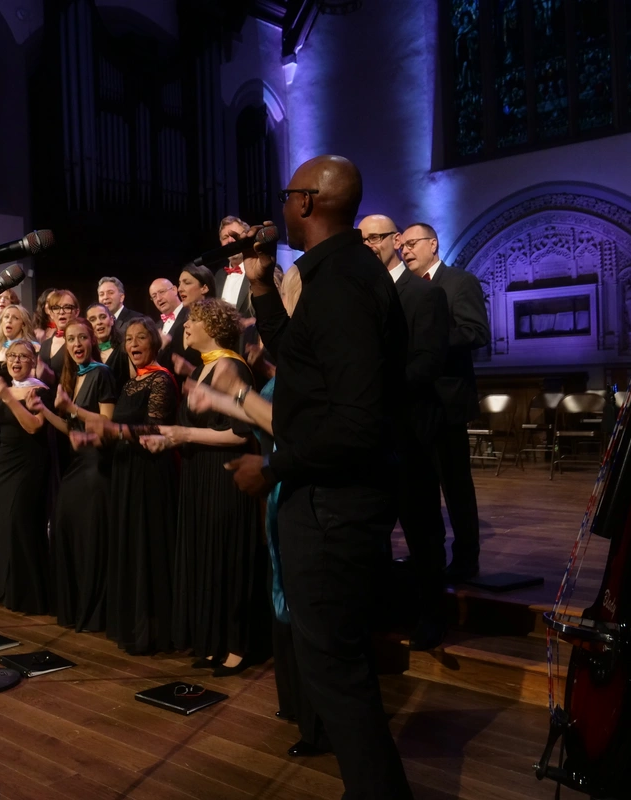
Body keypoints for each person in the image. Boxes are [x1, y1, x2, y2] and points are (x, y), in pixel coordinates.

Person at [227, 154, 413, 799]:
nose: (280, 207)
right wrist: (260, 286)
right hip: (330, 497)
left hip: (334, 504)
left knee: (337, 671)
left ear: (306, 202)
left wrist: (273, 464)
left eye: (287, 195)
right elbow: (299, 360)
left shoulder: (342, 284)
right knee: (337, 665)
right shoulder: (333, 274)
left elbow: (356, 422)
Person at [186, 266, 331, 759]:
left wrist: (235, 394)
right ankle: (298, 708)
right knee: (284, 599)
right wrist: (218, 398)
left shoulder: (312, 363)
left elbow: (289, 428)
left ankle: (319, 723)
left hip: (303, 492)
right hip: (282, 492)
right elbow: (266, 420)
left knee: (304, 608)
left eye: (281, 301)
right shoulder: (291, 362)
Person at [156, 299, 266, 677]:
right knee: (206, 558)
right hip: (199, 475)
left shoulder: (231, 366)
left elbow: (241, 433)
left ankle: (237, 645)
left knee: (227, 560)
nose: (185, 326)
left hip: (225, 477)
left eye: (193, 320)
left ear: (215, 327)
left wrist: (186, 434)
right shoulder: (205, 368)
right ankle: (213, 641)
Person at [360, 214, 453, 650]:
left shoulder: (425, 293)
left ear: (396, 241)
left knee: (421, 529)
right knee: (373, 529)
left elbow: (428, 362)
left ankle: (433, 615)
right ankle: (384, 609)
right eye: (362, 240)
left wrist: (378, 389)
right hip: (371, 432)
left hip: (411, 430)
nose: (369, 245)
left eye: (375, 238)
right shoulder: (362, 295)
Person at [72, 319, 179, 655]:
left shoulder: (161, 379)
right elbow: (119, 428)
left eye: (140, 338)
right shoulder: (131, 383)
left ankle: (155, 630)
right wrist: (92, 437)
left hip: (149, 473)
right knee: (130, 543)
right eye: (129, 339)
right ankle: (132, 624)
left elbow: (156, 428)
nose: (133, 344)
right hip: (126, 470)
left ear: (154, 343)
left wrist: (112, 431)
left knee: (147, 545)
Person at [399, 222, 490, 582]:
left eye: (412, 243)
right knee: (418, 486)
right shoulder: (406, 288)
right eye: (402, 245)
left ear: (433, 244)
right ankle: (427, 555)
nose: (405, 250)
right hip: (413, 402)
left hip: (447, 401)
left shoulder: (458, 282)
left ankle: (467, 558)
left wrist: (428, 341)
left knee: (455, 486)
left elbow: (476, 332)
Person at [50, 319, 118, 631]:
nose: (76, 344)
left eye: (82, 338)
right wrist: (46, 411)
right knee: (67, 530)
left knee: (90, 539)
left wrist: (72, 409)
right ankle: (76, 607)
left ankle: (95, 613)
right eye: (71, 339)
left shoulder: (101, 373)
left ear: (92, 341)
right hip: (76, 463)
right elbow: (71, 430)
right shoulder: (73, 376)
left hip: (96, 466)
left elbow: (107, 424)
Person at [0, 339, 55, 614]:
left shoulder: (40, 391)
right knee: (5, 526)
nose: (16, 361)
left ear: (33, 361)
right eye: (12, 356)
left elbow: (34, 426)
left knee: (20, 523)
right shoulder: (6, 390)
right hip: (3, 465)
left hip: (28, 464)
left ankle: (30, 595)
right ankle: (9, 590)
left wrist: (9, 399)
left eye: (22, 356)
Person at [212, 215, 255, 320]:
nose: (230, 240)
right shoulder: (218, 276)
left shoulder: (260, 270)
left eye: (235, 236)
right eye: (225, 237)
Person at [86, 302, 130, 392]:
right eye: (92, 319)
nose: (99, 322)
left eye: (103, 317)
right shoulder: (87, 354)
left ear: (111, 320)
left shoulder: (125, 348)